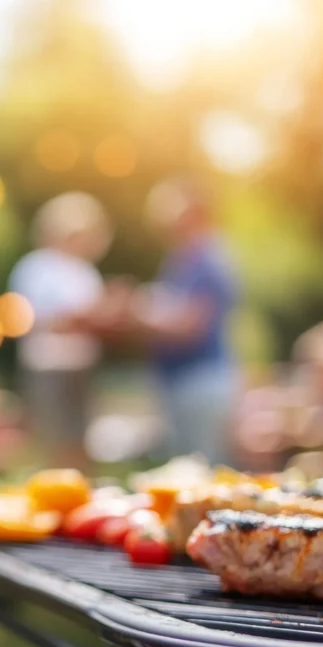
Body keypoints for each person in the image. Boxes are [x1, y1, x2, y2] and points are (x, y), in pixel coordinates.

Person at [124, 177, 240, 465]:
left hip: (200, 382)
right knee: (186, 468)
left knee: (204, 470)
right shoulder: (183, 258)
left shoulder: (207, 258)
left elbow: (191, 325)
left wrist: (136, 314)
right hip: (181, 382)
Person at [9, 191, 113, 471]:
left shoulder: (85, 271)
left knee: (81, 436)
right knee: (53, 436)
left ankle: (79, 484)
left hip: (82, 364)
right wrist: (75, 319)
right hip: (48, 366)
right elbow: (28, 318)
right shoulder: (36, 267)